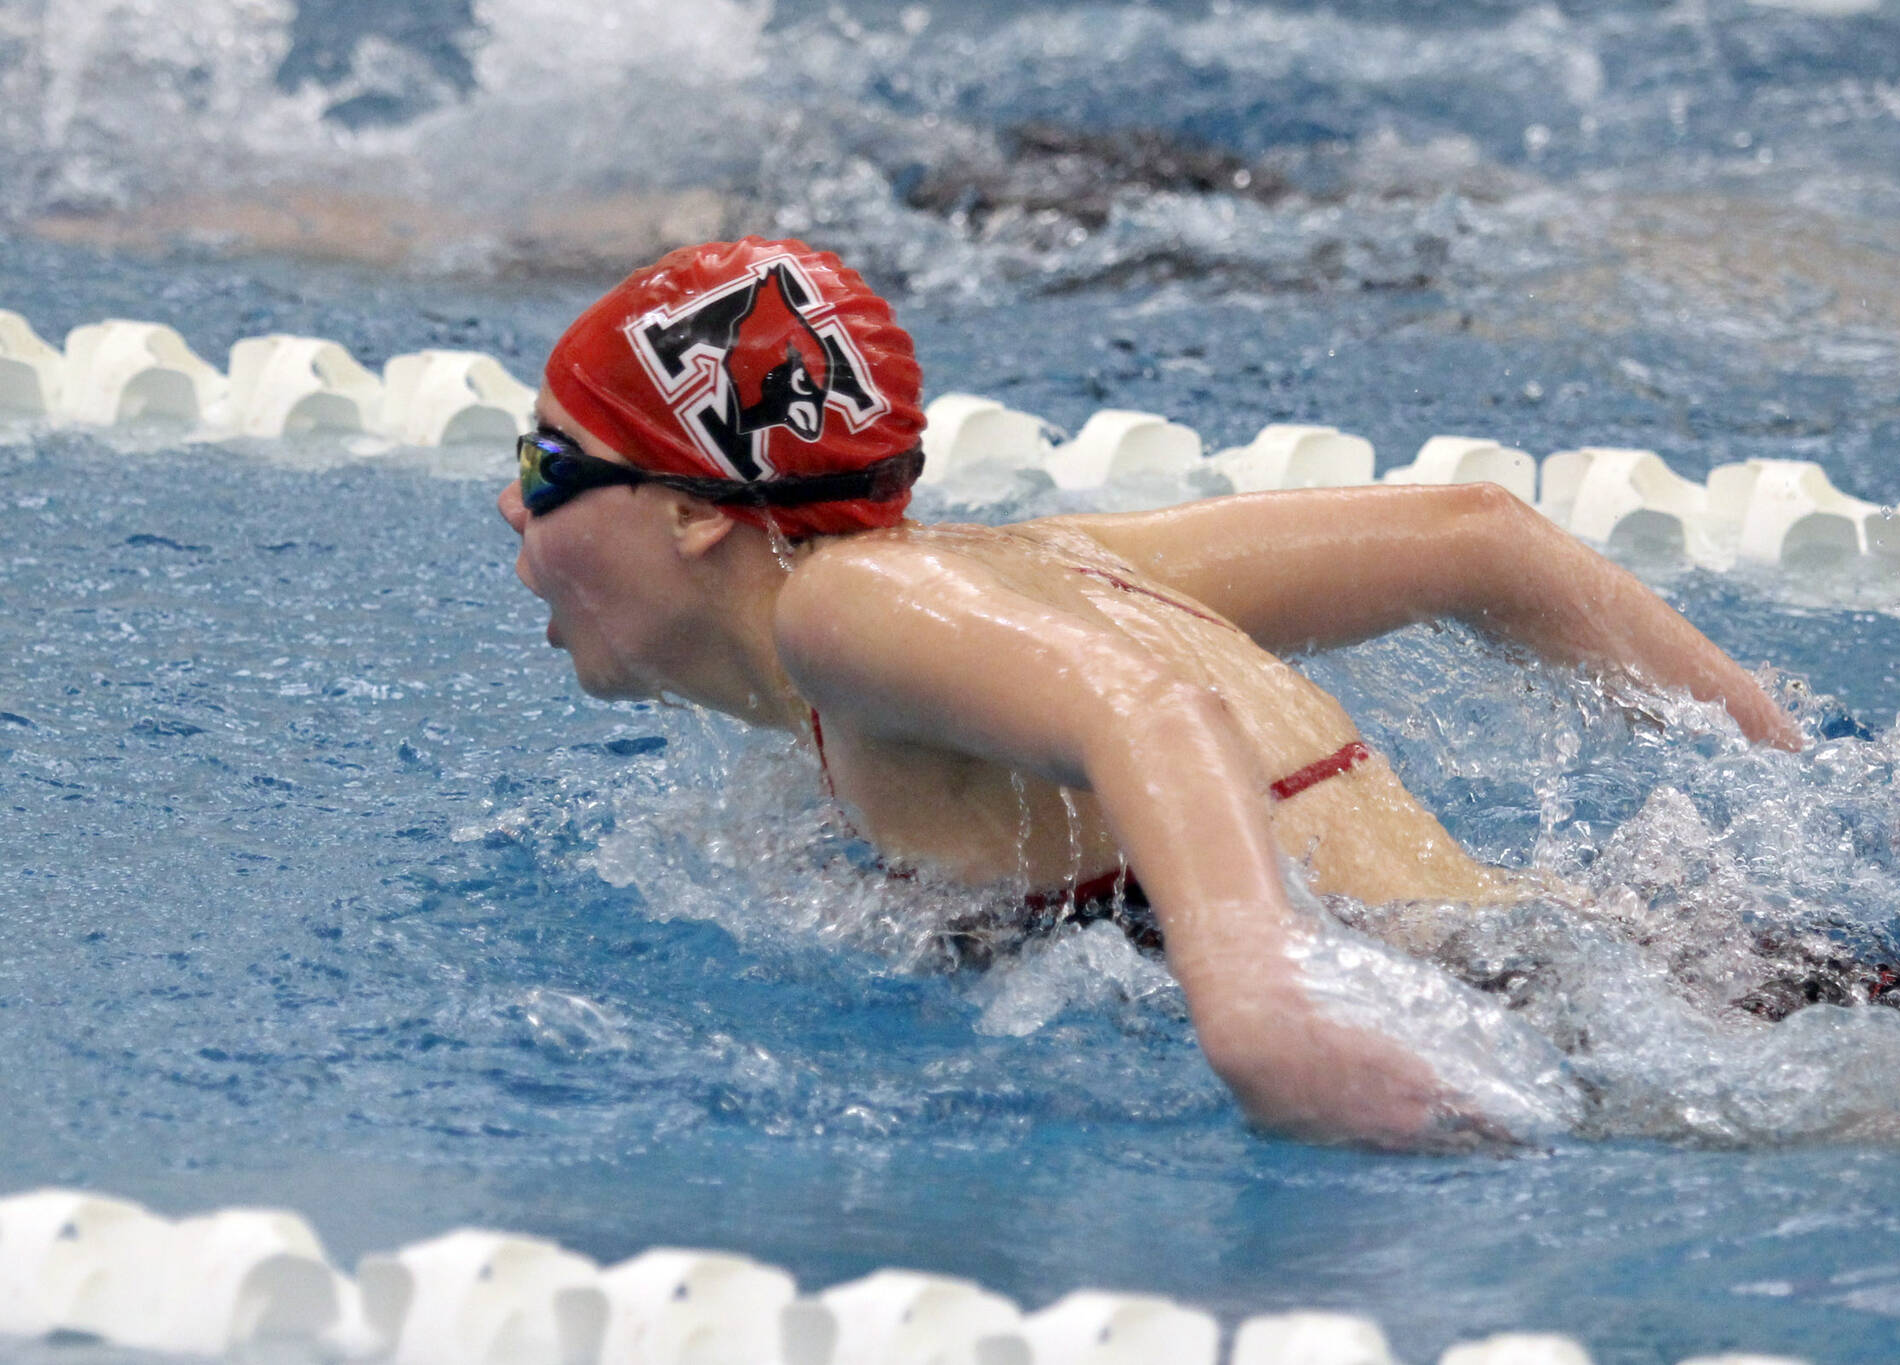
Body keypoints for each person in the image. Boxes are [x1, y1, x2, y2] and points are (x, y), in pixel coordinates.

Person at [497, 237, 1804, 1149]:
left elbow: (1161, 717)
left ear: (686, 513)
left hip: (1552, 1013)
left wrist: (1261, 1020)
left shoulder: (841, 609)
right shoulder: (1026, 564)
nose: (512, 500)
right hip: (1652, 956)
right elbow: (1479, 536)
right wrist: (1786, 764)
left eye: (550, 458)